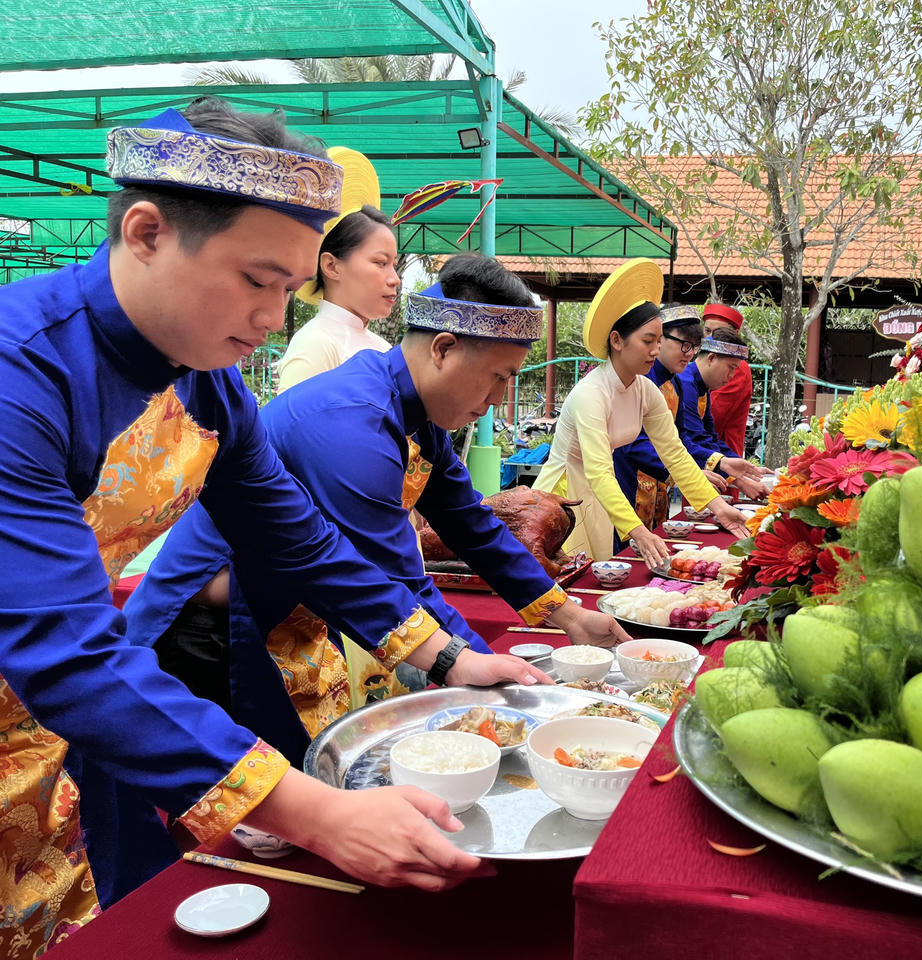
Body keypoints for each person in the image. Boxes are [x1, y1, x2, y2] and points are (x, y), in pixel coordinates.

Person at [0, 99, 543, 956]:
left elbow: (297, 541)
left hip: (73, 715)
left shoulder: (208, 382)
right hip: (59, 676)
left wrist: (448, 656)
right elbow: (62, 645)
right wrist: (315, 809)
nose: (272, 316)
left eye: (289, 290)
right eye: (257, 280)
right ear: (145, 232)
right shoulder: (19, 372)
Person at [126, 252, 630, 767]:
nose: (500, 400)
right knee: (260, 800)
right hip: (213, 626)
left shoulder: (413, 412)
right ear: (444, 348)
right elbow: (396, 577)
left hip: (294, 608)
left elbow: (471, 523)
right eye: (499, 377)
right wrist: (478, 664)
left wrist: (564, 614)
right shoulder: (353, 421)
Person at [533, 259, 749, 568]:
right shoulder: (591, 393)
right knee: (567, 578)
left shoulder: (645, 391)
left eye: (659, 341)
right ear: (617, 340)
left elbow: (674, 453)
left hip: (601, 495)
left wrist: (717, 506)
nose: (654, 350)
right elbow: (598, 471)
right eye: (648, 341)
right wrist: (638, 531)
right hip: (565, 496)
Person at [275, 147, 399, 391]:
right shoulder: (314, 346)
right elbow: (289, 428)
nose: (394, 279)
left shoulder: (384, 350)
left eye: (393, 265)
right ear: (331, 266)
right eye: (380, 263)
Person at [612, 304, 707, 531]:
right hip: (630, 482)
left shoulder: (675, 383)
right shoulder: (637, 379)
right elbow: (631, 443)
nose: (690, 354)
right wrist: (683, 473)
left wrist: (709, 465)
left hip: (659, 488)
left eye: (694, 347)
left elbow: (679, 438)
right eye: (684, 345)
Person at [669, 329, 770, 500]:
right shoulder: (685, 382)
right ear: (711, 358)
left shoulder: (702, 387)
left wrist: (745, 469)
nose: (731, 376)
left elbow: (709, 438)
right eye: (730, 368)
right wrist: (739, 479)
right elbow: (693, 439)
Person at [704, 303, 753, 456]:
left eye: (718, 333)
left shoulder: (737, 368)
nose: (711, 339)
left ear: (735, 334)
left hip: (721, 454)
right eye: (707, 331)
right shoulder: (703, 360)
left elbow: (713, 418)